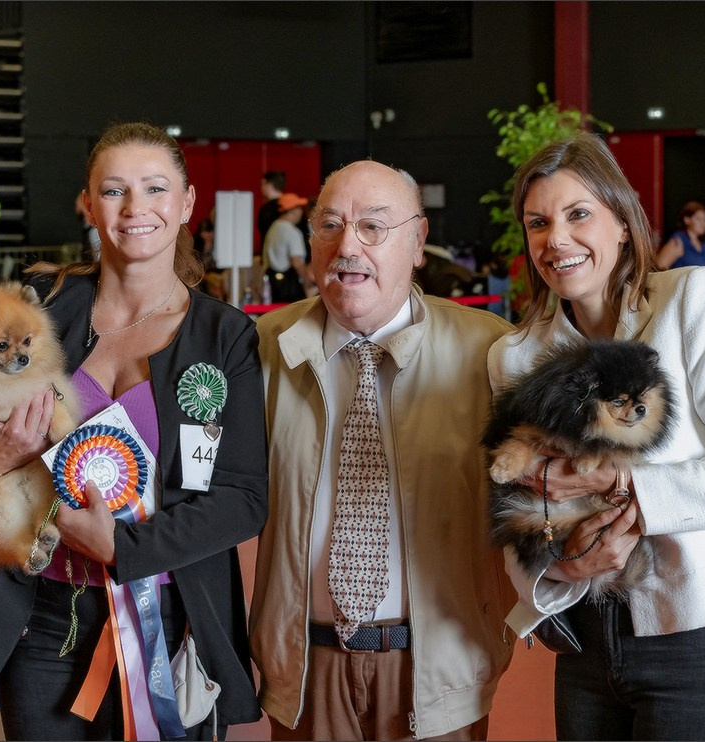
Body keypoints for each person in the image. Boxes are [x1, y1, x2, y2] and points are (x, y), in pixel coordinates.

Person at [0, 122, 268, 741]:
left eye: (155, 188)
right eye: (114, 190)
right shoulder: (39, 307)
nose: (134, 208)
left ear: (186, 203)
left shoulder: (225, 336)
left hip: (173, 624)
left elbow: (242, 500)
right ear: (89, 204)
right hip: (41, 619)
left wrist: (121, 547)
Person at [488, 133, 705, 741]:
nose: (556, 240)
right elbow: (508, 506)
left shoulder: (692, 300)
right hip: (582, 636)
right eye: (538, 223)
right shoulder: (515, 356)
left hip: (693, 629)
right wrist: (560, 567)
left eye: (578, 214)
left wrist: (620, 482)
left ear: (623, 223)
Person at [250, 160, 516, 741]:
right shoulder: (263, 350)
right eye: (330, 225)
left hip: (439, 669)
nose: (347, 246)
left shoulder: (489, 352)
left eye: (373, 226)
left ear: (418, 242)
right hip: (306, 669)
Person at [262, 192, 310, 303]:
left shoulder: (273, 228)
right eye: (299, 208)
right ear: (292, 210)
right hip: (289, 288)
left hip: (273, 283)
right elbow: (296, 262)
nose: (301, 212)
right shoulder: (292, 231)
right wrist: (307, 282)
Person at [654, 201, 705, 269]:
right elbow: (659, 267)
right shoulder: (678, 241)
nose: (703, 223)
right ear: (687, 220)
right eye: (699, 219)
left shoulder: (703, 244)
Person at [256, 170, 287, 248]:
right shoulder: (290, 207)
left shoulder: (267, 208)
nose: (261, 188)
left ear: (269, 185)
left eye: (263, 184)